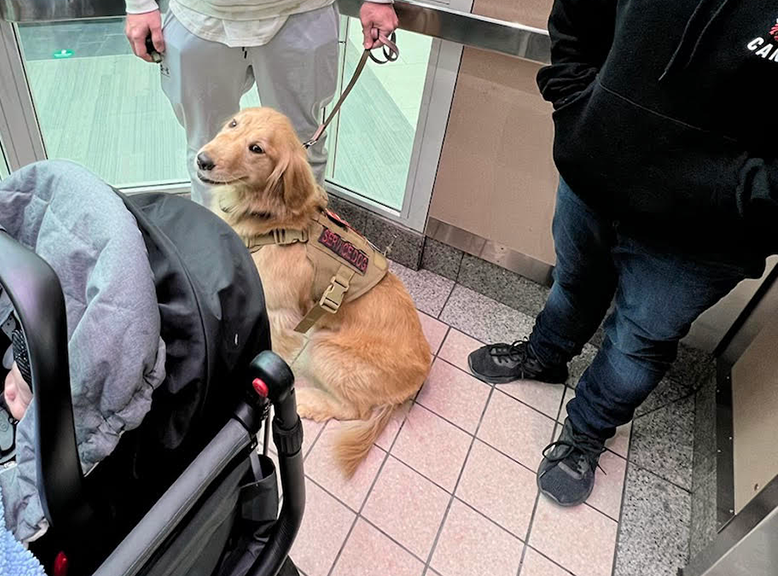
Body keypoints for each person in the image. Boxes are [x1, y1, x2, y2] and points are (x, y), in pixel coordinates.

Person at [468, 0, 777, 506]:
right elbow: (576, 18)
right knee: (572, 284)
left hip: (706, 232)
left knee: (638, 342)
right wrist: (579, 113)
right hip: (596, 178)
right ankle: (546, 357)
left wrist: (732, 194)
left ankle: (586, 431)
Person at [123, 0, 398, 206]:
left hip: (303, 10)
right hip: (197, 13)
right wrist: (139, 5)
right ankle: (215, 260)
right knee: (207, 148)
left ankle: (303, 249)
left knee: (302, 147)